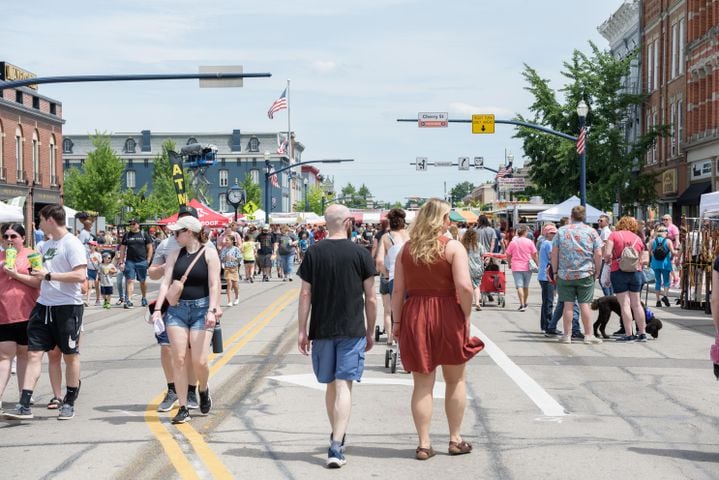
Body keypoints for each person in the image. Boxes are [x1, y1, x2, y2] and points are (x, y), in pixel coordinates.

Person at [391, 198, 483, 461]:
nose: (450, 222)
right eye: (448, 217)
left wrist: (396, 323)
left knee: (422, 384)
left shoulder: (406, 250)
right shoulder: (453, 247)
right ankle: (455, 439)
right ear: (442, 220)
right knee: (455, 380)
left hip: (415, 314)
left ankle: (423, 443)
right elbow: (465, 286)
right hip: (447, 313)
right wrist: (465, 315)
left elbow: (398, 290)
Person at [297, 204, 377, 469]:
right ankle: (336, 444)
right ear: (347, 222)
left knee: (331, 383)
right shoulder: (360, 253)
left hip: (321, 328)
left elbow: (305, 294)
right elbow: (371, 297)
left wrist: (302, 329)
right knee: (343, 385)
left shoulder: (313, 253)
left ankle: (336, 435)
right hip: (351, 328)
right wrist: (371, 329)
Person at [3, 204, 87, 420]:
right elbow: (37, 275)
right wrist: (22, 273)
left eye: (40, 219)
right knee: (33, 353)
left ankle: (68, 401)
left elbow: (80, 276)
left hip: (68, 307)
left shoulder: (72, 243)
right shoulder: (42, 245)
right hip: (43, 306)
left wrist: (50, 275)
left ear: (50, 220)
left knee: (69, 356)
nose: (38, 224)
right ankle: (24, 404)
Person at [152, 215, 222, 424]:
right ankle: (183, 407)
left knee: (199, 361)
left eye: (177, 232)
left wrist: (212, 309)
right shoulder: (174, 254)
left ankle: (203, 388)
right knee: (179, 359)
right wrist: (158, 309)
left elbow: (214, 285)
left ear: (189, 232)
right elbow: (165, 283)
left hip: (202, 310)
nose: (174, 236)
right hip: (177, 310)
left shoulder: (210, 254)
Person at [147, 205, 201, 413]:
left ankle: (191, 390)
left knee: (191, 351)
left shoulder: (206, 247)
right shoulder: (165, 245)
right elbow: (152, 274)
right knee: (167, 347)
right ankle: (172, 389)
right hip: (171, 301)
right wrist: (164, 268)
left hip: (196, 302)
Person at [0, 224, 41, 413]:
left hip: (28, 313)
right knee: (4, 356)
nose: (9, 240)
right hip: (4, 314)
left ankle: (24, 396)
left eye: (13, 236)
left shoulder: (32, 255)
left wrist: (15, 275)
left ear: (22, 238)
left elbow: (37, 281)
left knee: (25, 355)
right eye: (5, 236)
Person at [551, 205, 603, 345]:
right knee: (584, 304)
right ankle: (588, 335)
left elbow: (554, 253)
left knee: (568, 305)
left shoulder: (561, 231)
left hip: (565, 274)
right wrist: (597, 270)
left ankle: (567, 335)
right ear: (584, 216)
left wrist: (555, 271)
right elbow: (598, 253)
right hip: (585, 273)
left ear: (571, 216)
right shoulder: (591, 232)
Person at [605, 216, 648, 342]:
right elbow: (641, 258)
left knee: (625, 304)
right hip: (636, 272)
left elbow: (607, 254)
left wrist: (608, 260)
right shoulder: (638, 238)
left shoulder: (614, 235)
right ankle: (642, 333)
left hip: (618, 271)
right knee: (637, 304)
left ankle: (629, 334)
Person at [376, 208, 410, 350]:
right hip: (413, 279)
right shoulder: (411, 236)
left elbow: (379, 262)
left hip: (395, 279)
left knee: (395, 312)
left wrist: (386, 273)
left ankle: (395, 340)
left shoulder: (386, 237)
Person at [118, 219, 153, 308]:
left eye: (133, 224)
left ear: (138, 225)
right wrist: (121, 261)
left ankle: (144, 297)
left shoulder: (144, 234)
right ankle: (129, 300)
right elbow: (122, 248)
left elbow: (150, 248)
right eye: (130, 224)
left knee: (142, 281)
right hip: (130, 261)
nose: (132, 225)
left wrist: (148, 260)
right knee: (130, 280)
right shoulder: (127, 235)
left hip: (142, 261)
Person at [505, 225, 538, 312]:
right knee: (526, 286)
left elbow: (508, 254)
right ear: (525, 233)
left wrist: (509, 263)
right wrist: (537, 264)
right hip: (527, 266)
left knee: (519, 286)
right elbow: (534, 254)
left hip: (516, 266)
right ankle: (525, 302)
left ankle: (522, 304)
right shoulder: (529, 242)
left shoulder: (513, 242)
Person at [650, 225, 677, 308]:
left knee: (658, 281)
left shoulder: (652, 241)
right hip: (665, 264)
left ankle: (658, 301)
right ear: (665, 233)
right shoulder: (668, 241)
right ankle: (665, 296)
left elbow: (650, 252)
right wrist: (678, 252)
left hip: (655, 264)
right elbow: (673, 252)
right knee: (666, 281)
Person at [537, 223, 557, 332]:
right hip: (547, 276)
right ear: (546, 233)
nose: (554, 234)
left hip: (544, 275)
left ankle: (544, 325)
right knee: (549, 302)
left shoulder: (545, 242)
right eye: (551, 233)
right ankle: (549, 325)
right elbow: (551, 257)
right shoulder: (549, 243)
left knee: (546, 301)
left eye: (555, 232)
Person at [461, 228, 487, 311]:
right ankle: (477, 303)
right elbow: (484, 255)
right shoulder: (478, 245)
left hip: (466, 268)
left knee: (467, 286)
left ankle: (466, 302)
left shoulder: (463, 245)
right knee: (476, 286)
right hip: (477, 268)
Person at [219, 236, 241, 306]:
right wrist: (226, 258)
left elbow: (239, 260)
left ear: (232, 241)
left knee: (235, 285)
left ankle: (237, 298)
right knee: (229, 284)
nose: (226, 242)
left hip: (234, 269)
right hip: (227, 269)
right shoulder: (224, 249)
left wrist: (233, 258)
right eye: (225, 240)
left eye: (227, 240)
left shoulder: (236, 249)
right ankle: (229, 301)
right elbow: (222, 259)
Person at [597, 214, 614, 296]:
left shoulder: (606, 231)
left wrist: (602, 257)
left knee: (602, 280)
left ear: (607, 222)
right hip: (605, 258)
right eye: (598, 220)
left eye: (601, 221)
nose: (599, 222)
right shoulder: (604, 231)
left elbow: (605, 245)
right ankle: (610, 297)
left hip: (604, 259)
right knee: (607, 280)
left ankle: (608, 297)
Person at [85, 241, 102, 306]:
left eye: (92, 245)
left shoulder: (98, 254)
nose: (90, 246)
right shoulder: (87, 254)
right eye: (89, 245)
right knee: (89, 287)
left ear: (95, 246)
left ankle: (98, 300)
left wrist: (97, 259)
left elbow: (101, 263)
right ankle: (87, 301)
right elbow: (85, 263)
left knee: (97, 286)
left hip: (96, 271)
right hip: (89, 271)